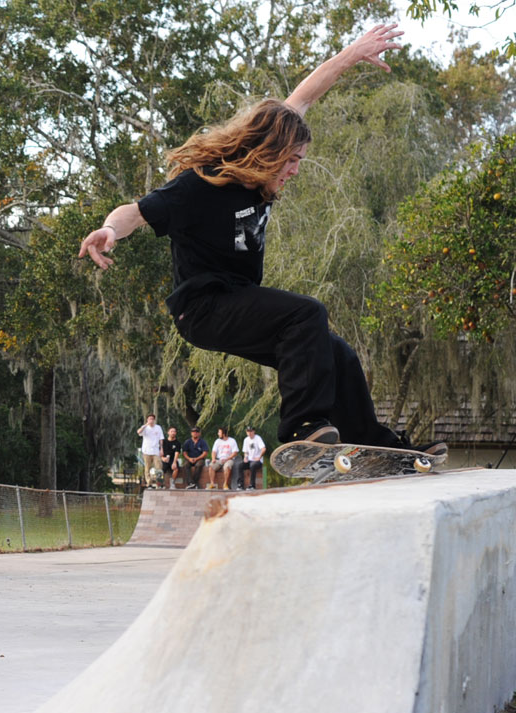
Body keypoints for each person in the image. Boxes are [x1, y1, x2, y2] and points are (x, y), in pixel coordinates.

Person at [78, 23, 444, 459]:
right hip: (203, 307)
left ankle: (377, 449)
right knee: (307, 314)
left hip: (240, 301)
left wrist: (352, 54)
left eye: (300, 161)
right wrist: (109, 230)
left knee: (337, 354)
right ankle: (301, 430)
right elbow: (135, 212)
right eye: (290, 161)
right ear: (266, 151)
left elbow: (304, 95)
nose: (294, 171)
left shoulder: (271, 148)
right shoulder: (202, 183)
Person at [137, 414, 165, 488]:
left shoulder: (158, 428)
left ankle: (159, 483)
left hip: (156, 451)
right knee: (147, 468)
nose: (151, 420)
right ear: (147, 420)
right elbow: (138, 432)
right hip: (146, 451)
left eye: (152, 419)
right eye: (149, 419)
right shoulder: (145, 428)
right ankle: (149, 483)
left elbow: (161, 438)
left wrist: (161, 449)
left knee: (159, 467)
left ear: (154, 420)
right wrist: (146, 424)